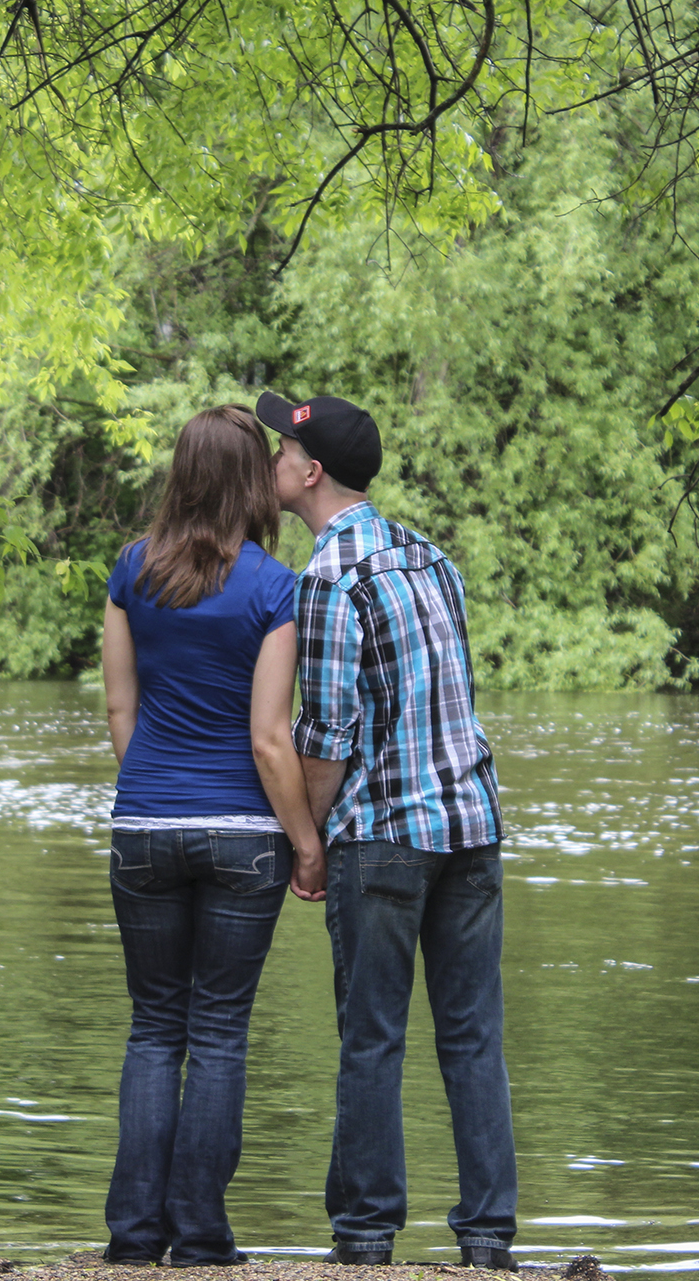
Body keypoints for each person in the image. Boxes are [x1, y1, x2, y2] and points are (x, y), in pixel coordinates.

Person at [253, 391, 518, 1271]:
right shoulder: (430, 557)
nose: (271, 463)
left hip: (385, 836)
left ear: (310, 471)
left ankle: (366, 1237)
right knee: (473, 1034)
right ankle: (487, 1237)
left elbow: (325, 737)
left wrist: (308, 840)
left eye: (278, 450)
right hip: (472, 824)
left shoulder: (327, 577)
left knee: (372, 1034)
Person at [99, 403, 329, 1266]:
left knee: (155, 1026)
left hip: (145, 821)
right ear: (247, 484)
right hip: (243, 834)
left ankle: (133, 1233)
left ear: (180, 473)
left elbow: (122, 709)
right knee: (220, 1029)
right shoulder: (275, 587)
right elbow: (273, 738)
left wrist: (153, 794)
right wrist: (305, 841)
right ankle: (201, 1236)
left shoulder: (132, 571)